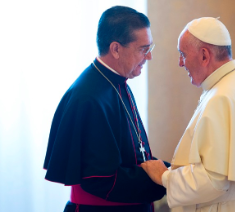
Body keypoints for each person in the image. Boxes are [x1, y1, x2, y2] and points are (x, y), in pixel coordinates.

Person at [141, 17, 235, 212]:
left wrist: (164, 177)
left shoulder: (221, 96)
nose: (180, 63)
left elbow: (213, 180)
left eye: (183, 54)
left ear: (204, 56)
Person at [43, 6, 169, 212]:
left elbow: (134, 157)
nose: (148, 57)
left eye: (149, 49)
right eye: (143, 49)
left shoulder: (116, 82)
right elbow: (103, 180)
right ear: (116, 49)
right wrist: (166, 179)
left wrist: (170, 172)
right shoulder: (90, 98)